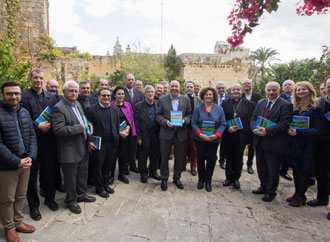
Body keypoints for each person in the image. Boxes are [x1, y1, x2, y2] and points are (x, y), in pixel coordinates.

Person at [0, 82, 37, 242]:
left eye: (16, 93)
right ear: (3, 95)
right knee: (7, 198)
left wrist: (31, 156)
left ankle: (18, 221)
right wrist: (16, 161)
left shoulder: (24, 112)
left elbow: (32, 136)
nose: (13, 96)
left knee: (21, 195)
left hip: (26, 161)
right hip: (8, 165)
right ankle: (9, 228)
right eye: (9, 93)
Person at [52, 80, 96, 214]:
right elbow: (58, 129)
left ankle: (81, 194)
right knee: (70, 177)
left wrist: (88, 124)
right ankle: (71, 200)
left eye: (76, 91)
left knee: (83, 173)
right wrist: (79, 128)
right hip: (69, 149)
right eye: (71, 90)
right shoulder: (59, 107)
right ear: (64, 92)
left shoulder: (77, 104)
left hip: (82, 145)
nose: (74, 93)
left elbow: (82, 119)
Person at [21, 69, 58, 220]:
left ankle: (50, 199)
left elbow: (57, 115)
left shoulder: (52, 97)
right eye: (35, 78)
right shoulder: (23, 96)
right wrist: (37, 126)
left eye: (41, 78)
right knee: (32, 176)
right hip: (31, 141)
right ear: (30, 79)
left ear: (44, 80)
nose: (38, 80)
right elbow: (21, 118)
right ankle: (34, 206)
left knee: (50, 172)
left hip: (49, 141)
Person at [251, 81, 293, 202]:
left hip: (274, 142)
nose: (271, 92)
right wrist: (254, 128)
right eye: (269, 90)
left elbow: (284, 124)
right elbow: (253, 118)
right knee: (261, 166)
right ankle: (263, 186)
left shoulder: (285, 105)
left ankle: (271, 191)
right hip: (259, 139)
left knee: (273, 169)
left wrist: (267, 131)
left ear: (279, 90)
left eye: (274, 90)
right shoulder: (261, 102)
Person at [286, 81, 322, 207]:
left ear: (310, 91)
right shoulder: (296, 106)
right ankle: (297, 193)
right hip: (295, 143)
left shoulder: (316, 108)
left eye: (303, 89)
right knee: (296, 170)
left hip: (308, 144)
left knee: (304, 171)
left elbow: (318, 130)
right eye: (298, 90)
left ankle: (301, 196)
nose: (300, 92)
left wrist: (299, 132)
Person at [156, 80, 192, 191]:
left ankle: (177, 178)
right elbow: (157, 115)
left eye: (176, 86)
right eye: (172, 86)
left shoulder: (185, 99)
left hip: (180, 133)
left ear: (180, 88)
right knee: (164, 157)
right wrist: (165, 122)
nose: (174, 88)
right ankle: (164, 178)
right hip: (166, 132)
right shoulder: (162, 99)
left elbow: (189, 114)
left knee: (179, 158)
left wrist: (184, 121)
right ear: (169, 88)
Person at [86, 88, 119, 198]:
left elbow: (116, 125)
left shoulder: (114, 109)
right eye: (104, 95)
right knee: (98, 167)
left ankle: (105, 185)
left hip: (111, 143)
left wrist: (117, 137)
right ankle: (99, 188)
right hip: (98, 144)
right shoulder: (91, 109)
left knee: (108, 166)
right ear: (98, 97)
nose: (106, 97)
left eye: (108, 95)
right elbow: (88, 126)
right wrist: (89, 141)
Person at [191, 87, 226, 192]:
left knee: (211, 160)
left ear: (214, 96)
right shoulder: (198, 108)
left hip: (213, 139)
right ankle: (201, 180)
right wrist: (200, 134)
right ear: (203, 96)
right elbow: (194, 122)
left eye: (210, 94)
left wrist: (217, 135)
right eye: (206, 94)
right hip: (200, 138)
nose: (208, 96)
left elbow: (223, 123)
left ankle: (208, 181)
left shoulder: (219, 109)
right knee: (200, 159)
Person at [222, 84, 255, 189]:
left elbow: (251, 122)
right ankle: (228, 178)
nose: (236, 91)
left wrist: (250, 139)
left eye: (238, 89)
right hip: (228, 134)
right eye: (233, 89)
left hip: (242, 135)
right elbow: (221, 119)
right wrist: (228, 128)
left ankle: (236, 178)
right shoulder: (225, 103)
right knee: (229, 157)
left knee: (238, 158)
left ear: (242, 91)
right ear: (231, 91)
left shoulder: (250, 104)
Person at [307, 75, 330, 220]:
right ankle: (322, 198)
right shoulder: (320, 103)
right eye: (329, 85)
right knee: (321, 172)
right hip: (321, 144)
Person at [134, 85, 161, 183]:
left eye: (152, 92)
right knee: (143, 155)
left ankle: (153, 171)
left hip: (156, 134)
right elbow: (136, 123)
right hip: (144, 134)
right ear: (145, 94)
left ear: (154, 93)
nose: (150, 93)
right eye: (148, 92)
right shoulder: (138, 106)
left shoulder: (159, 104)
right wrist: (138, 137)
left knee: (155, 154)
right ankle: (143, 173)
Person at [110, 86, 136, 184]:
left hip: (125, 135)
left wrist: (129, 128)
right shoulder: (110, 105)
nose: (121, 96)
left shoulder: (128, 104)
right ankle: (111, 175)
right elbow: (110, 122)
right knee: (113, 156)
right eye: (119, 94)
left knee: (123, 155)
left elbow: (130, 118)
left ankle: (121, 174)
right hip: (114, 135)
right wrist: (119, 132)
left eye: (122, 94)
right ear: (114, 95)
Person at [123, 73, 144, 173]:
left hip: (136, 123)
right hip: (125, 124)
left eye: (132, 79)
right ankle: (125, 166)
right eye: (129, 79)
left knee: (133, 145)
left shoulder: (139, 93)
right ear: (125, 80)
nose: (131, 81)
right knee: (125, 145)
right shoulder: (121, 92)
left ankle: (133, 165)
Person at [242, 78, 261, 174]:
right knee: (240, 145)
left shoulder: (257, 96)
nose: (246, 85)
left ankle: (249, 165)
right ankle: (239, 163)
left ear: (252, 85)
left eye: (248, 83)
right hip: (242, 125)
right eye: (244, 84)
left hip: (253, 124)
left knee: (251, 147)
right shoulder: (240, 95)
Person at [183, 81, 202, 176]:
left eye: (191, 87)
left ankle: (193, 167)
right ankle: (183, 165)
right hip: (183, 127)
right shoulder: (180, 98)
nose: (189, 88)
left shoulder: (199, 100)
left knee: (194, 148)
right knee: (183, 147)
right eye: (188, 87)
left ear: (194, 88)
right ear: (185, 88)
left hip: (194, 128)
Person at [279, 79, 296, 181]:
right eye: (285, 85)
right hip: (281, 128)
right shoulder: (279, 98)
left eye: (290, 85)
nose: (288, 86)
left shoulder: (297, 98)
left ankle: (284, 170)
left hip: (295, 129)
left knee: (289, 152)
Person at [215, 81, 231, 170]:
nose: (221, 89)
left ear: (225, 89)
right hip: (214, 124)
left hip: (225, 123)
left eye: (223, 88)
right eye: (219, 88)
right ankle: (213, 159)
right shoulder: (213, 98)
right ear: (216, 89)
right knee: (214, 142)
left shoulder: (230, 98)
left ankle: (222, 161)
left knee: (224, 144)